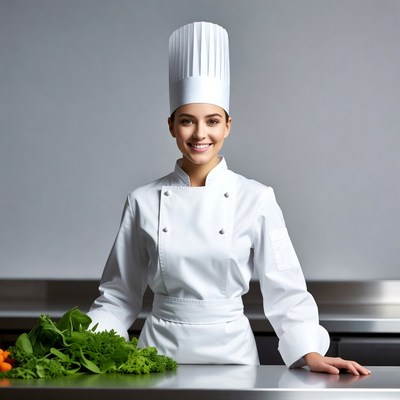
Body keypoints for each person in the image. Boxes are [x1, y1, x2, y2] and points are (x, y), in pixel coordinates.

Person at [87, 21, 371, 376]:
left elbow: (285, 289)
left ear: (228, 126)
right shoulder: (142, 200)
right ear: (171, 126)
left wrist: (309, 352)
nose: (200, 134)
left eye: (212, 121)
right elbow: (118, 295)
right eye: (188, 121)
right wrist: (82, 346)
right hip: (155, 358)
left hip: (232, 357)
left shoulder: (256, 198)